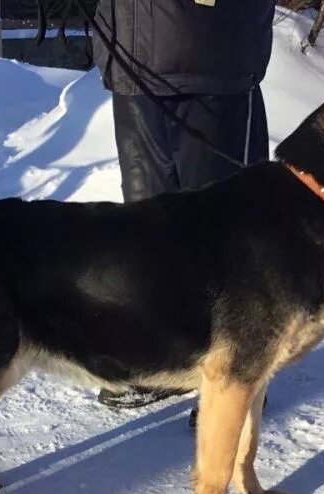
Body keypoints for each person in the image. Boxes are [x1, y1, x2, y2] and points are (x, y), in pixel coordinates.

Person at [92, 0, 277, 410]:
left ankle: (240, 375)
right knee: (148, 230)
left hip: (211, 57)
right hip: (131, 59)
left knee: (226, 235)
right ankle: (166, 363)